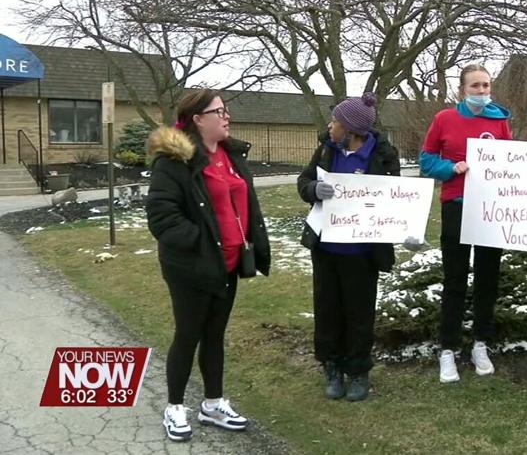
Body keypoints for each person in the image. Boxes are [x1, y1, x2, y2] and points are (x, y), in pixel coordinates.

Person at [146, 89, 271, 441]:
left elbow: (245, 204)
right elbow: (162, 218)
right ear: (198, 119)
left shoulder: (231, 155)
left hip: (227, 265)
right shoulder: (175, 162)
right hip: (191, 268)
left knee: (214, 336)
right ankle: (174, 407)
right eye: (219, 111)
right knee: (188, 335)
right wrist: (202, 246)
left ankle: (212, 404)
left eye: (226, 109)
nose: (226, 116)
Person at [297, 92, 401, 402]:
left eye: (335, 121)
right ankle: (332, 366)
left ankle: (358, 371)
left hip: (363, 254)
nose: (330, 126)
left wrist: (403, 226)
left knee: (359, 314)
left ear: (351, 128)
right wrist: (313, 189)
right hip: (327, 249)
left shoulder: (383, 156)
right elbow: (303, 182)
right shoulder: (327, 150)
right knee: (327, 311)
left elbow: (395, 198)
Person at [420, 64, 513, 383]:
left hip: (490, 209)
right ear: (462, 90)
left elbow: (510, 163)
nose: (482, 91)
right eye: (475, 86)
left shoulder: (500, 121)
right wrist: (450, 168)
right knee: (455, 279)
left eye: (486, 86)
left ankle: (480, 344)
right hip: (457, 206)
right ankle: (448, 349)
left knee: (488, 278)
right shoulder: (444, 119)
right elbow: (426, 160)